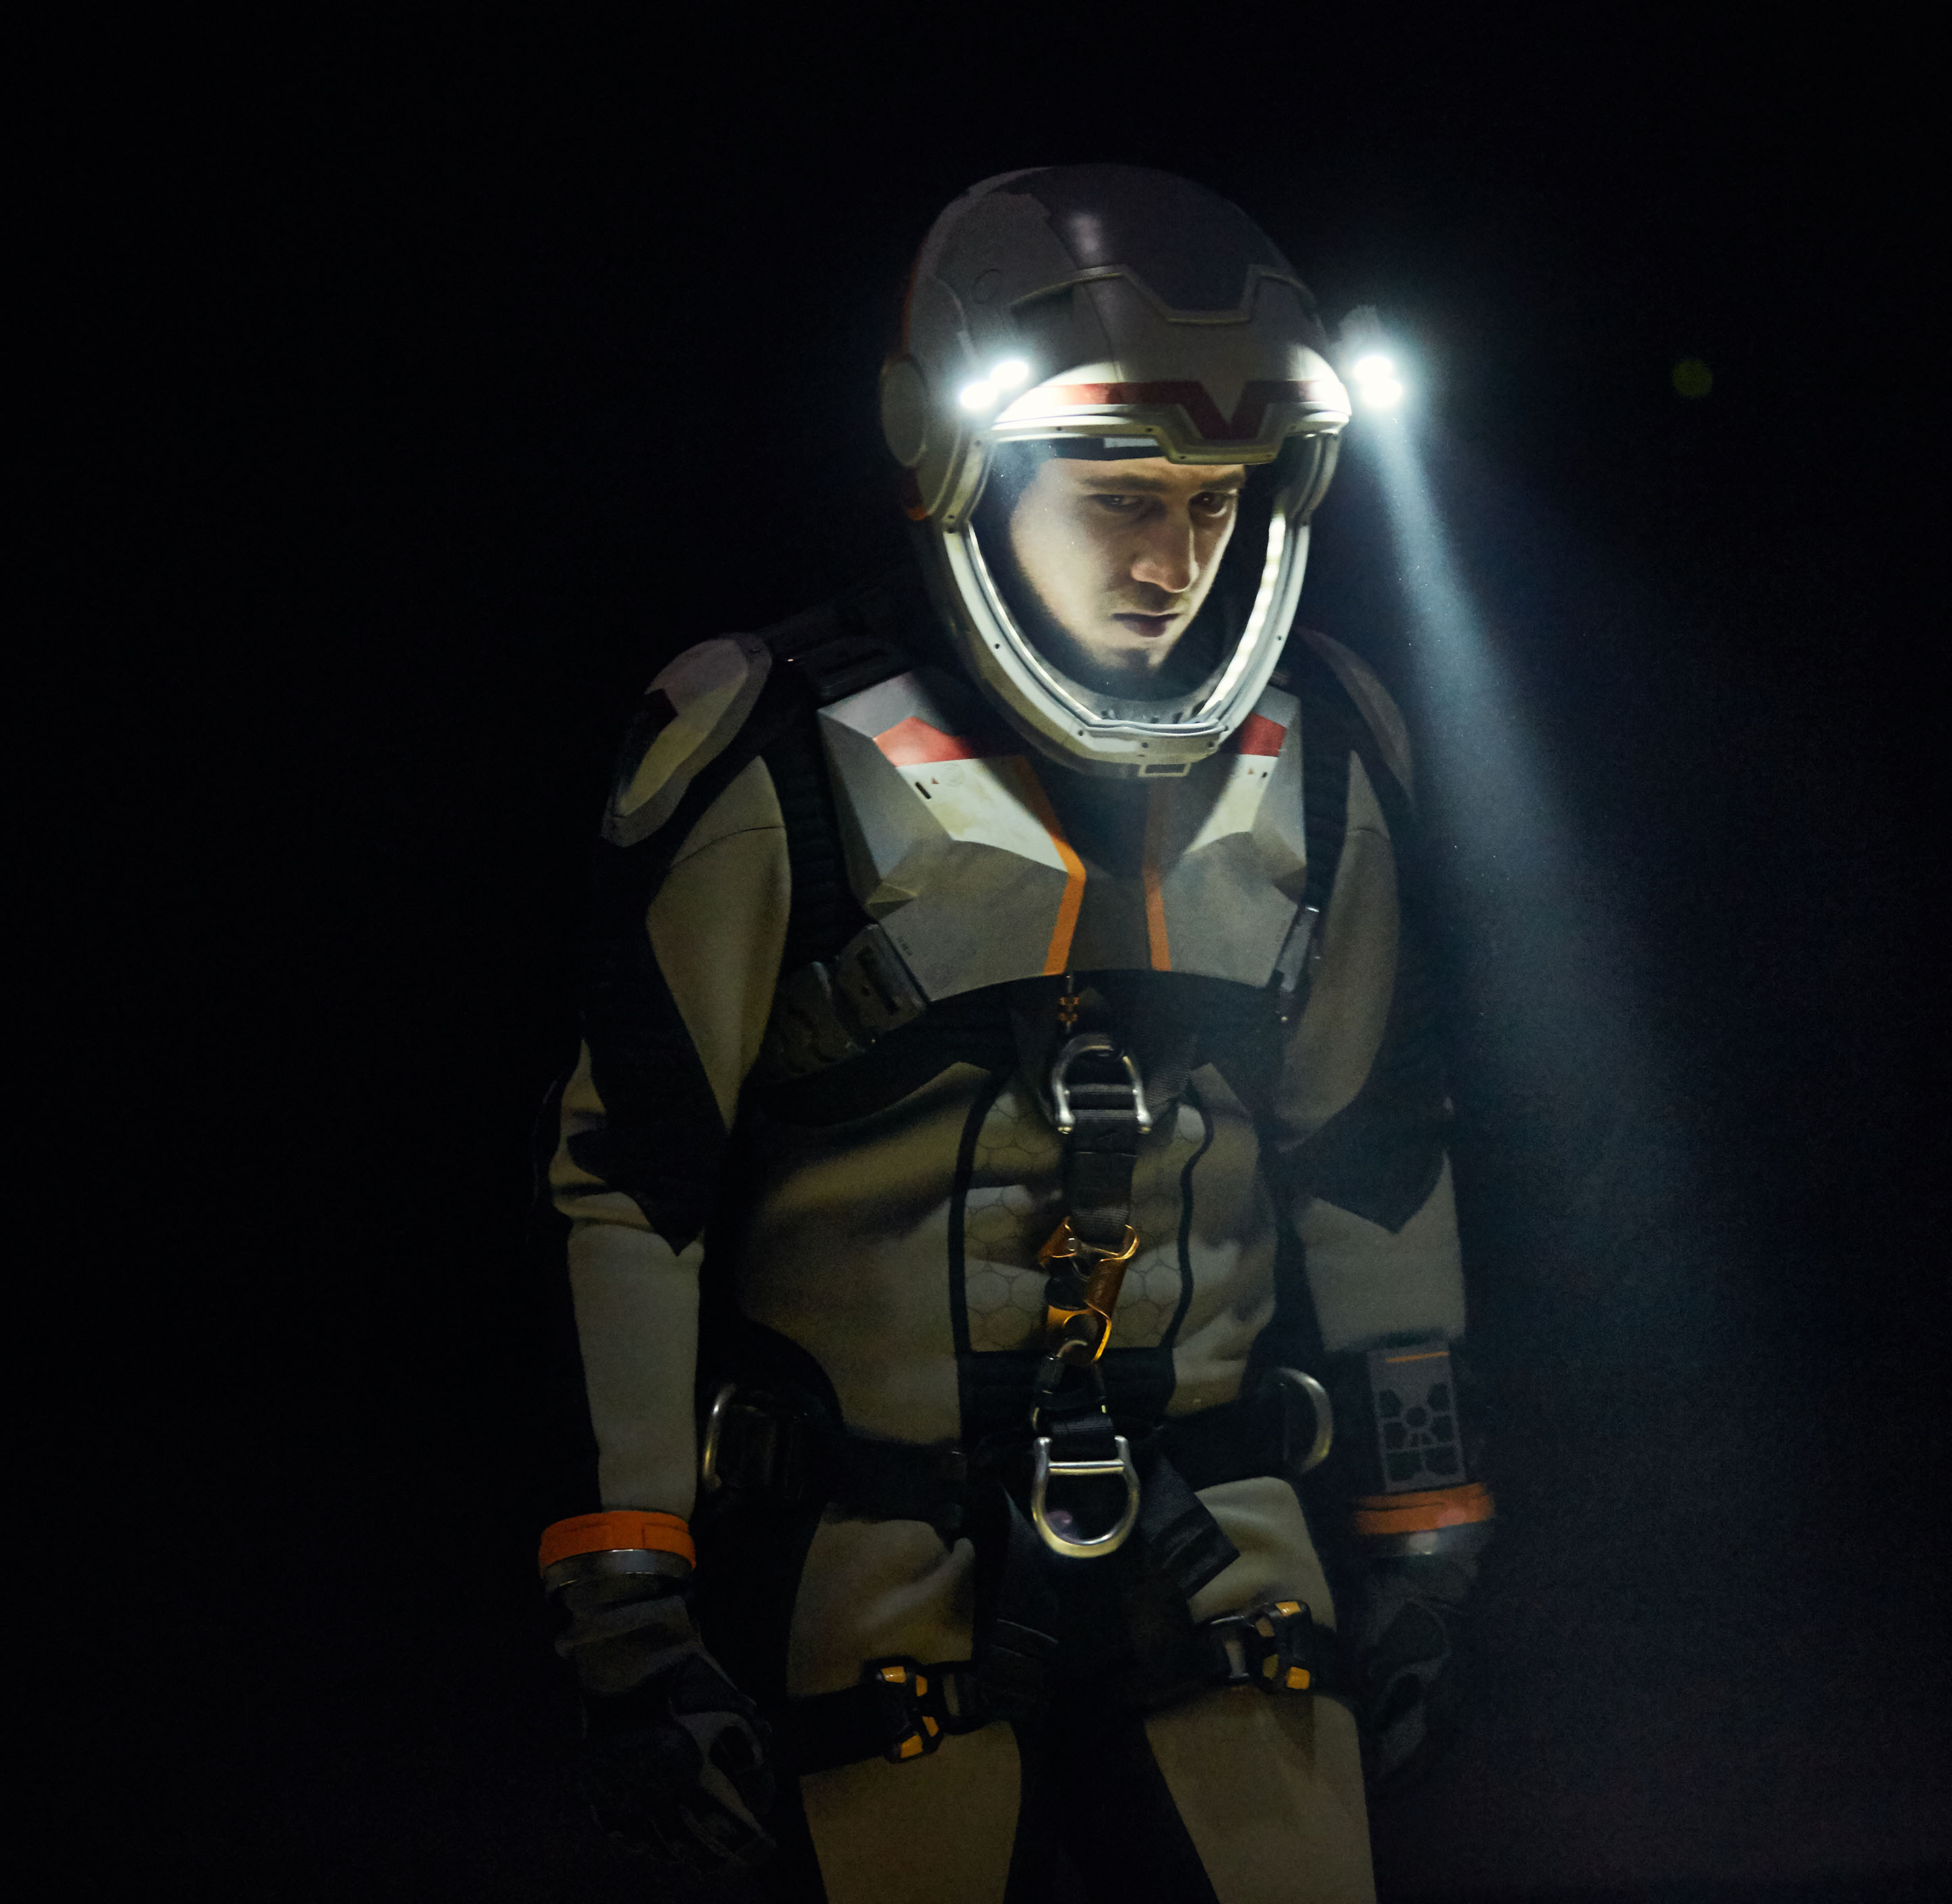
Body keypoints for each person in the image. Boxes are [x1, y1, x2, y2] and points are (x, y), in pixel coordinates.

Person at [531, 163, 1490, 1903]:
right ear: (959, 459)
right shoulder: (770, 755)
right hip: (879, 1550)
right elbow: (625, 1189)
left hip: (1225, 1543)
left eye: (1214, 497)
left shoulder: (1323, 763)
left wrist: (1426, 1541)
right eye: (1117, 491)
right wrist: (628, 1602)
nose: (1173, 559)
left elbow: (1373, 1151)